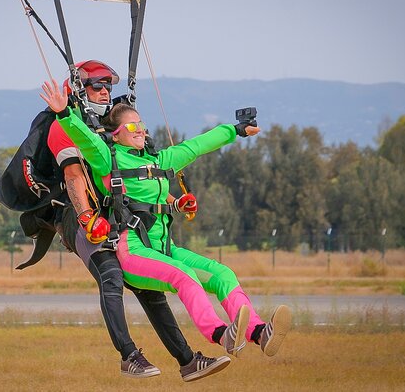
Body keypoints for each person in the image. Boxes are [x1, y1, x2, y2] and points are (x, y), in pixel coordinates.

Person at [40, 77, 292, 360]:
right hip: (133, 252)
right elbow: (86, 140)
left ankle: (259, 332)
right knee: (184, 276)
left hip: (165, 249)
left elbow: (198, 145)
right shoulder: (107, 159)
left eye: (142, 126)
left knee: (222, 274)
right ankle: (221, 334)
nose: (140, 131)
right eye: (133, 127)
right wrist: (64, 114)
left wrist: (235, 130)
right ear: (116, 134)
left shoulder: (161, 161)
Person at [46, 60, 231, 382]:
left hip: (121, 219)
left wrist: (173, 201)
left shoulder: (111, 124)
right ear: (80, 90)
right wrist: (87, 218)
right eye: (96, 87)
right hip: (81, 218)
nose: (104, 93)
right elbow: (75, 177)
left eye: (107, 87)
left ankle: (188, 362)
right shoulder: (64, 126)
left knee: (150, 289)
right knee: (112, 276)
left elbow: (140, 180)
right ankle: (129, 355)